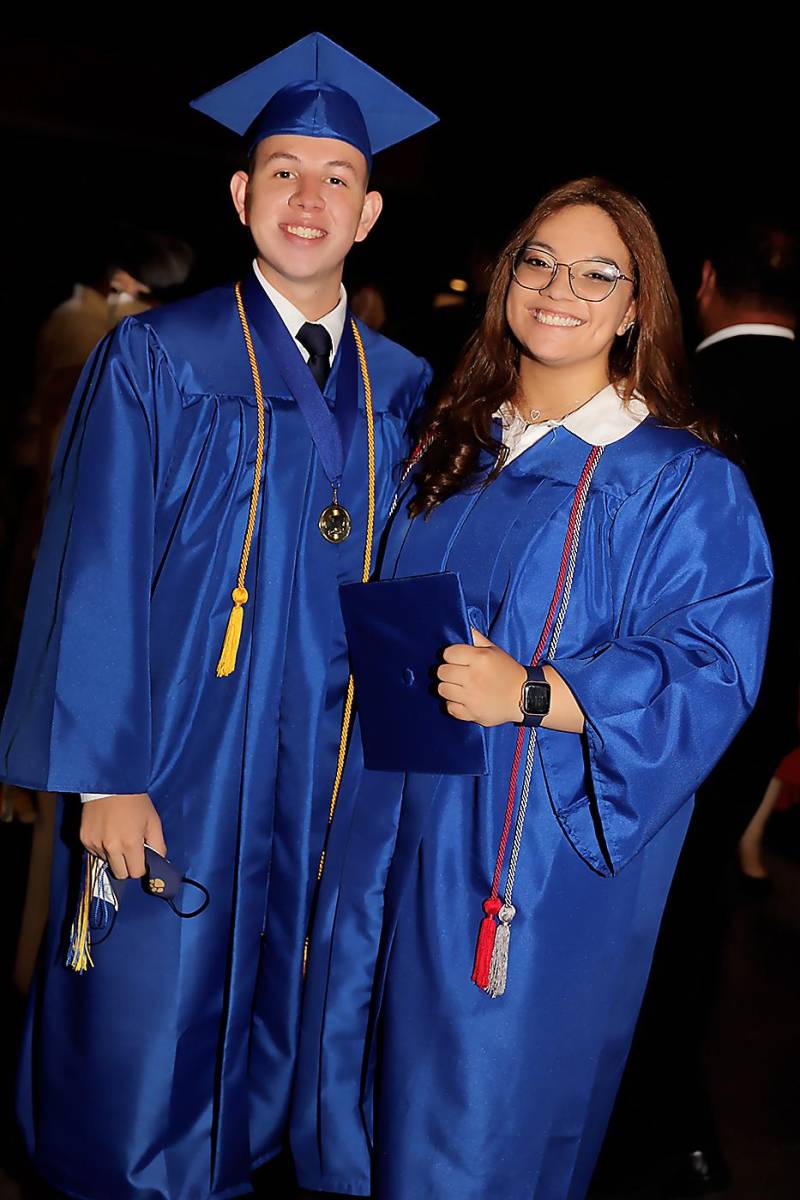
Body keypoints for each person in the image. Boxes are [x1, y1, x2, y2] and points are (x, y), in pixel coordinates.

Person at [0, 33, 435, 1200]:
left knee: (292, 996)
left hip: (328, 760)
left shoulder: (403, 385)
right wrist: (101, 773)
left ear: (370, 210)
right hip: (176, 754)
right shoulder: (154, 356)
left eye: (335, 177)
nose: (308, 198)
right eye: (283, 172)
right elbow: (91, 562)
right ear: (241, 195)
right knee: (151, 997)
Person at [290, 178, 772, 1199]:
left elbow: (712, 662)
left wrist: (540, 694)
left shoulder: (677, 480)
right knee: (352, 1107)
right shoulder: (447, 447)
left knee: (475, 1137)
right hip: (387, 829)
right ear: (503, 279)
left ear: (639, 306)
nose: (561, 287)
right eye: (537, 261)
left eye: (600, 272)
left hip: (527, 860)